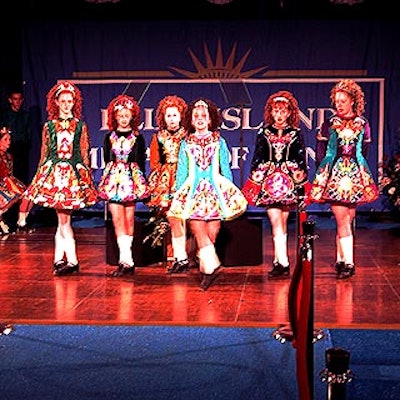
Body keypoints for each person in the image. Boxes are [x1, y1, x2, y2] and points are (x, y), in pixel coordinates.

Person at [167, 97, 248, 291]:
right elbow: (182, 171)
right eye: (197, 116)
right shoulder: (186, 143)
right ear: (191, 120)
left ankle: (207, 270)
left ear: (211, 119)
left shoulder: (219, 141)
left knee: (212, 232)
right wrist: (178, 193)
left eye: (204, 116)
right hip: (193, 190)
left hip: (215, 190)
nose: (201, 119)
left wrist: (229, 191)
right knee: (197, 228)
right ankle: (212, 268)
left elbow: (225, 168)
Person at [24, 81, 98, 275]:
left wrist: (86, 178)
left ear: (74, 103)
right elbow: (45, 153)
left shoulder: (80, 126)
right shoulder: (49, 126)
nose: (66, 104)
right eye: (63, 101)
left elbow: (83, 153)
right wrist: (39, 176)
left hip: (72, 176)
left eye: (70, 101)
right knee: (62, 219)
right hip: (55, 174)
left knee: (64, 219)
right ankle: (63, 259)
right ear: (56, 102)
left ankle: (69, 260)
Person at [309, 79, 379, 279]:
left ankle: (340, 259)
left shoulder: (363, 124)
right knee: (341, 219)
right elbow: (321, 151)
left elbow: (364, 149)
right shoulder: (329, 124)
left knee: (348, 218)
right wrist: (324, 174)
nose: (338, 104)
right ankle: (349, 263)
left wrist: (358, 168)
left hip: (355, 174)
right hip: (334, 174)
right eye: (336, 100)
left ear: (352, 101)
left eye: (342, 100)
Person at [242, 90, 308, 280]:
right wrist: (257, 177)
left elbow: (301, 159)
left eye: (282, 111)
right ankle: (282, 262)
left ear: (289, 113)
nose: (278, 115)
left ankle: (281, 262)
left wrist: (299, 182)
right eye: (275, 111)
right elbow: (257, 157)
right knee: (274, 220)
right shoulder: (263, 132)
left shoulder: (296, 133)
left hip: (288, 182)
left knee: (283, 222)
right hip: (269, 182)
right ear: (270, 112)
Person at [98, 94, 150, 277]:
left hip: (131, 180)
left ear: (132, 117)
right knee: (117, 219)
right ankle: (125, 258)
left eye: (127, 115)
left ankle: (128, 262)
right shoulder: (108, 137)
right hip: (114, 180)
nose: (124, 118)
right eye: (120, 115)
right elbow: (107, 159)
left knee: (129, 219)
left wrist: (142, 184)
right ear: (115, 117)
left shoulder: (138, 137)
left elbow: (141, 162)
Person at [146, 95, 190, 274]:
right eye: (168, 116)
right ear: (163, 118)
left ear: (181, 117)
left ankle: (185, 256)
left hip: (183, 179)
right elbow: (155, 162)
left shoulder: (187, 136)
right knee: (171, 218)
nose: (172, 119)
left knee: (182, 218)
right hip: (165, 182)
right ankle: (177, 257)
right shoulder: (159, 136)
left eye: (175, 115)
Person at [0, 89, 34, 231]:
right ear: (10, 100)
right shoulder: (5, 116)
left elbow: (27, 134)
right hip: (3, 182)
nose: (18, 102)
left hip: (20, 152)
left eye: (20, 99)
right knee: (14, 190)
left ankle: (21, 221)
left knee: (28, 192)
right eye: (15, 99)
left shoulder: (25, 116)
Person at [0, 126, 27, 235]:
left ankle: (21, 222)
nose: (8, 142)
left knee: (26, 193)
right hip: (2, 184)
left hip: (8, 182)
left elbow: (9, 175)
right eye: (5, 139)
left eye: (9, 139)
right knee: (15, 194)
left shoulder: (9, 156)